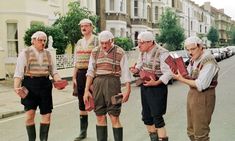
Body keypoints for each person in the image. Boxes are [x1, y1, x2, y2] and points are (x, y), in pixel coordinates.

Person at [13, 31, 63, 141]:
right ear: (33, 40)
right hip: (30, 84)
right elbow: (18, 73)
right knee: (30, 115)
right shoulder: (24, 53)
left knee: (47, 115)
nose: (43, 42)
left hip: (45, 85)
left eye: (44, 40)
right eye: (40, 40)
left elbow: (54, 72)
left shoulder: (49, 54)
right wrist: (16, 88)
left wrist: (59, 81)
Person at [83, 30, 131, 141]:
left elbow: (125, 73)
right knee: (99, 116)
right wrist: (86, 90)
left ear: (112, 40)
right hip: (98, 84)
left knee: (114, 116)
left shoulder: (120, 52)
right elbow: (90, 71)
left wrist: (127, 90)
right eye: (102, 43)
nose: (104, 45)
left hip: (113, 85)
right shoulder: (95, 52)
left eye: (107, 43)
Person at [172, 36, 219, 141]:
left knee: (201, 133)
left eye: (193, 49)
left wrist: (181, 79)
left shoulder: (209, 61)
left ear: (201, 47)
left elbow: (201, 85)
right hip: (192, 94)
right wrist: (177, 70)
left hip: (204, 96)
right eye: (188, 50)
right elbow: (188, 74)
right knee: (191, 130)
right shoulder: (194, 60)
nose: (190, 52)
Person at [130, 31, 172, 141]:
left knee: (157, 116)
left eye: (141, 43)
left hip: (158, 87)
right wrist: (136, 70)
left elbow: (169, 72)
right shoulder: (142, 52)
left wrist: (156, 82)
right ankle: (153, 139)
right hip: (146, 86)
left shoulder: (163, 53)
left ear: (150, 42)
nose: (139, 45)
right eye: (138, 42)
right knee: (146, 117)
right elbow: (139, 65)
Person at [72, 18, 98, 141]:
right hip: (80, 74)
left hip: (94, 74)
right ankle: (83, 131)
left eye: (86, 26)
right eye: (81, 26)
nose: (83, 28)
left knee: (98, 101)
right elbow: (76, 60)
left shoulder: (97, 40)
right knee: (82, 102)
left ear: (91, 27)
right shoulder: (78, 42)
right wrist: (73, 76)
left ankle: (101, 129)